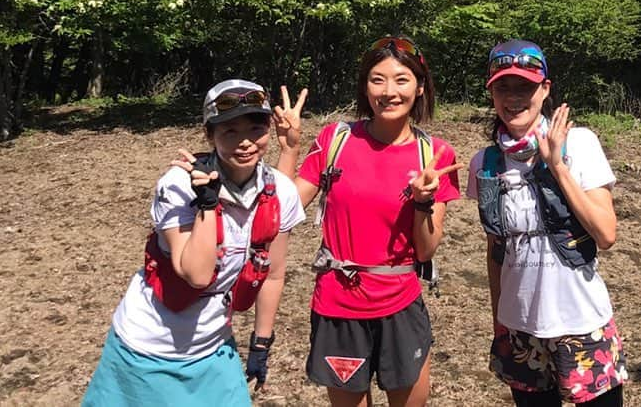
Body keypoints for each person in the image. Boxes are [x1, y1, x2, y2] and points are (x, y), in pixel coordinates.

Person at [83, 79, 307, 406]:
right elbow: (197, 274)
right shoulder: (179, 184)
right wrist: (207, 203)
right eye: (229, 131)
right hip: (149, 349)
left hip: (214, 346)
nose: (245, 142)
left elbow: (272, 272)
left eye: (256, 129)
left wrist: (261, 342)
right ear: (209, 134)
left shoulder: (280, 191)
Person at [278, 35, 461, 407]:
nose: (389, 91)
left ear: (420, 86)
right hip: (337, 305)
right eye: (377, 79)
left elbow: (425, 250)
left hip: (400, 306)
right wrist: (289, 149)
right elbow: (282, 211)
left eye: (401, 79)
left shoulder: (435, 154)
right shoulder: (335, 140)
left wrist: (423, 201)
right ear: (365, 86)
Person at [467, 40, 627, 406]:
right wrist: (499, 323)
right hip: (519, 327)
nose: (513, 97)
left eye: (524, 86)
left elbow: (606, 234)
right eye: (503, 87)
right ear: (491, 92)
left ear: (545, 90)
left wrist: (556, 166)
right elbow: (496, 250)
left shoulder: (580, 144)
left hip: (582, 322)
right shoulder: (485, 163)